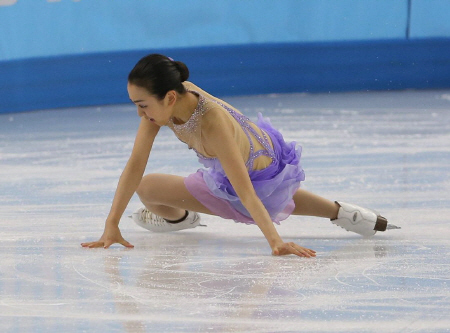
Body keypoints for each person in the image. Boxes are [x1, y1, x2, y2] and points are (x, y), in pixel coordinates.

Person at [81, 54, 399, 257]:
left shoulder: (211, 122)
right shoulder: (168, 101)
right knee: (273, 189)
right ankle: (348, 214)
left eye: (142, 105)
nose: (139, 114)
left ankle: (181, 218)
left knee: (153, 189)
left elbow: (247, 189)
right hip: (262, 158)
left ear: (169, 97)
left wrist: (275, 241)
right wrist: (111, 223)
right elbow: (134, 164)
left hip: (253, 170)